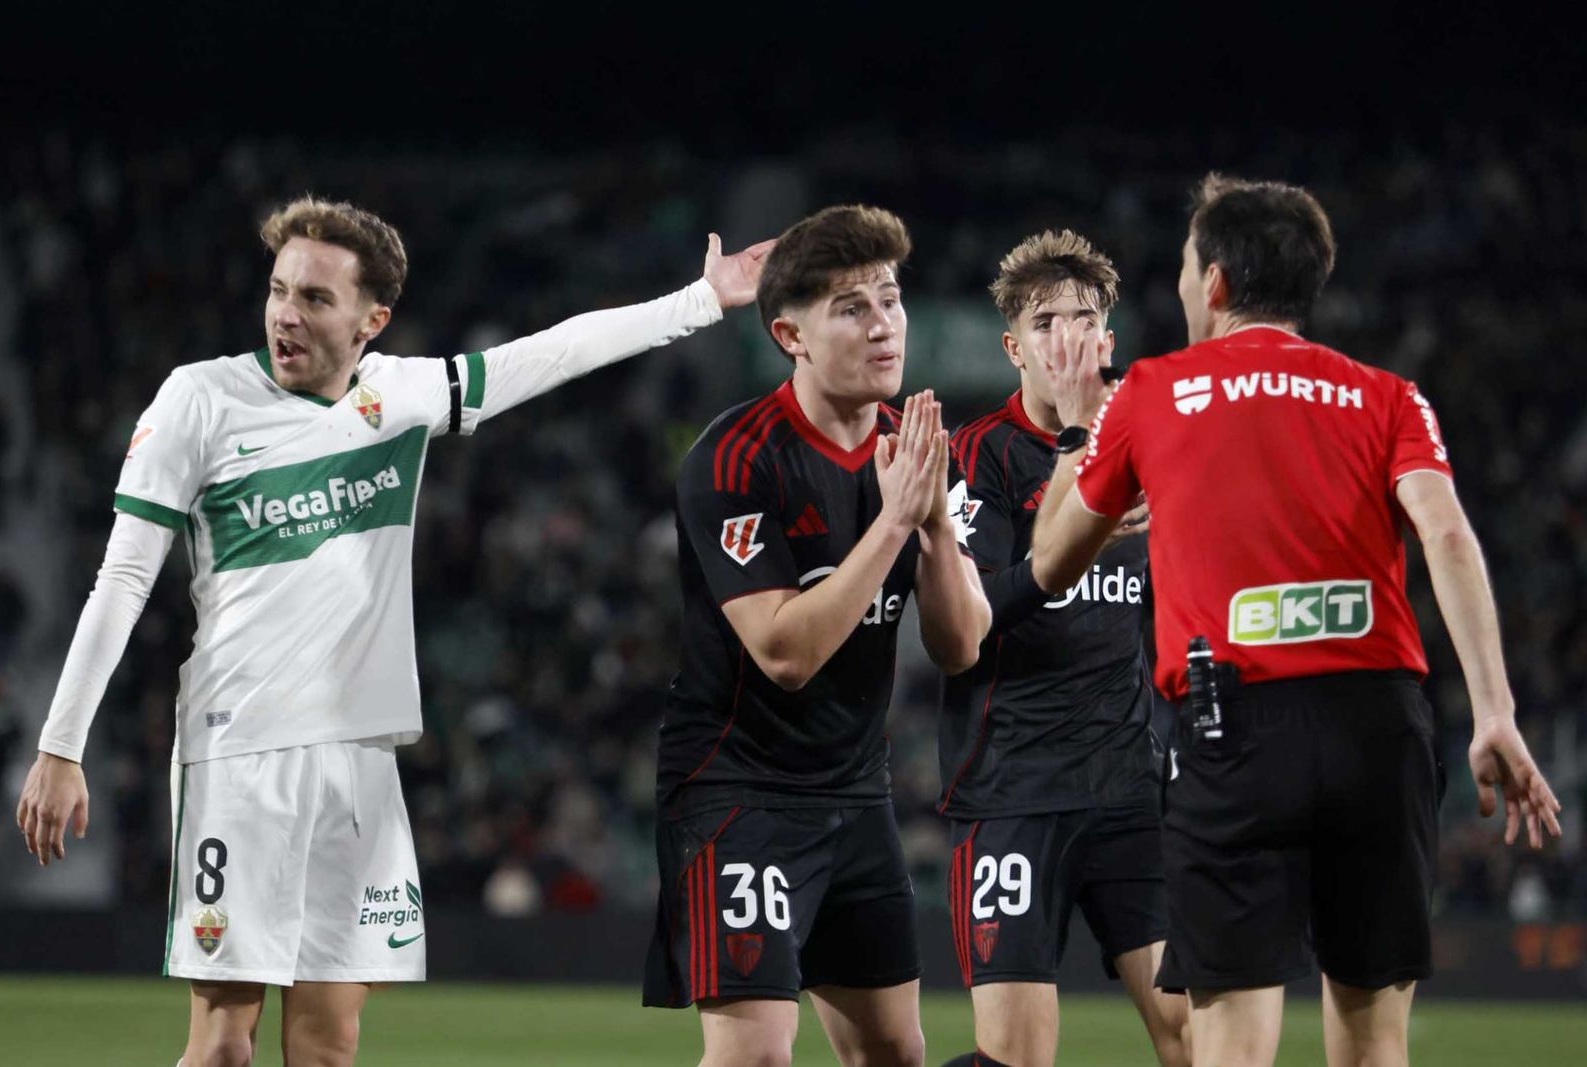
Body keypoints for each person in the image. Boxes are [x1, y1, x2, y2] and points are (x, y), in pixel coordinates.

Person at [15, 196, 774, 1067]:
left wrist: (702, 300)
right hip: (240, 753)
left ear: (373, 321)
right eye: (278, 289)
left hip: (361, 761)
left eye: (315, 299)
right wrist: (61, 743)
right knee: (224, 1044)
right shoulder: (201, 400)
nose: (285, 314)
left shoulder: (402, 397)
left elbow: (551, 352)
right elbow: (123, 576)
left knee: (332, 1043)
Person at [1028, 174, 1562, 1067]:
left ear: (1222, 282)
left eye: (1189, 269)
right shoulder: (1389, 396)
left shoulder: (1152, 391)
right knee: (1372, 1043)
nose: (1181, 287)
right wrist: (1496, 710)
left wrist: (1080, 428)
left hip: (1230, 732)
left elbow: (1049, 562)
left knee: (1231, 1045)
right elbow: (1448, 534)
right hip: (1377, 726)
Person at [642, 204, 991, 1067]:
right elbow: (785, 652)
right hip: (737, 790)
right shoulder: (735, 458)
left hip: (853, 791)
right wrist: (893, 526)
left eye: (892, 300)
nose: (884, 327)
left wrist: (938, 527)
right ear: (789, 332)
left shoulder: (914, 450)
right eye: (852, 308)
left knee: (895, 1052)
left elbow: (960, 648)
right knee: (756, 1055)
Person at [936, 230, 1187, 1067]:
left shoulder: (1155, 448)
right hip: (1015, 791)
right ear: (1014, 347)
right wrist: (1086, 474)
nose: (1068, 339)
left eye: (1084, 320)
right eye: (1046, 323)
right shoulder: (981, 459)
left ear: (1109, 340)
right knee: (1017, 1058)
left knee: (1193, 1032)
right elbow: (973, 623)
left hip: (1127, 787)